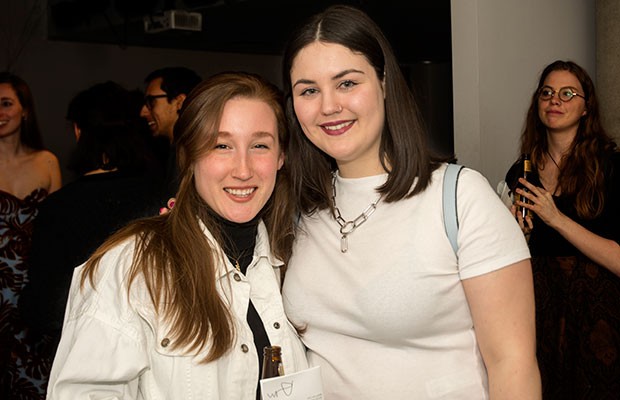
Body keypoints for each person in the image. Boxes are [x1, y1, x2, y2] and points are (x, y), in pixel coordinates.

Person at [280, 5, 541, 399]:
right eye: (309, 90)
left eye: (347, 83)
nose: (328, 106)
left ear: (384, 82)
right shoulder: (298, 209)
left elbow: (513, 365)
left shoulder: (459, 197)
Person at [46, 72, 308, 399]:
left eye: (259, 145)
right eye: (221, 145)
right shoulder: (133, 266)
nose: (243, 169)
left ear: (281, 157)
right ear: (190, 155)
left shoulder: (300, 262)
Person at [19, 81, 164, 371]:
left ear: (78, 132)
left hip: (83, 358)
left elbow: (44, 308)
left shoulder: (59, 207)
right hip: (157, 354)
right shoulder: (165, 193)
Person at [504, 60, 620, 399]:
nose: (555, 100)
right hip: (542, 313)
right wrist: (519, 233)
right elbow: (520, 258)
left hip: (599, 318)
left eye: (568, 93)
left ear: (586, 108)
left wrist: (556, 218)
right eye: (547, 93)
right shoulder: (521, 171)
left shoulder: (611, 168)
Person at [0, 71, 62, 399]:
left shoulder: (46, 161)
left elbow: (57, 234)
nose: (0, 112)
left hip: (31, 288)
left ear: (25, 110)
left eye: (6, 103)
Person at [139, 66, 202, 200]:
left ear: (180, 102)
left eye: (151, 102)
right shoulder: (175, 150)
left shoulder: (194, 154)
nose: (143, 111)